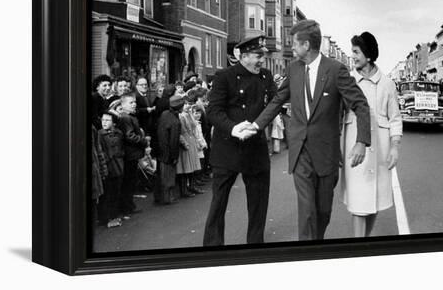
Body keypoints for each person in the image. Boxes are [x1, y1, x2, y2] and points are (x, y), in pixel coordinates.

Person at [251, 20, 371, 241]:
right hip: (300, 152)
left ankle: (316, 243)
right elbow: (278, 100)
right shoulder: (293, 69)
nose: (292, 47)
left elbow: (360, 105)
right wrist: (256, 125)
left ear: (306, 45)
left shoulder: (336, 70)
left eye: (294, 43)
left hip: (326, 154)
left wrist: (362, 141)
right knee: (306, 210)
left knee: (322, 211)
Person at [203, 34, 277, 246]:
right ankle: (212, 250)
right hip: (228, 148)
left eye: (262, 56)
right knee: (218, 204)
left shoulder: (266, 76)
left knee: (258, 204)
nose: (261, 60)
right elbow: (213, 111)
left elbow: (275, 103)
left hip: (255, 149)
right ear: (243, 57)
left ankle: (255, 247)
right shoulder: (225, 76)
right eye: (257, 56)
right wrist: (233, 128)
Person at [339, 32, 402, 237]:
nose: (353, 56)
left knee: (375, 201)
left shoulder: (387, 84)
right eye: (352, 52)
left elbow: (395, 119)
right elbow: (335, 115)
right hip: (354, 149)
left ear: (368, 54)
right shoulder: (348, 81)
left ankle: (364, 240)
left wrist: (394, 147)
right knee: (358, 202)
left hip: (381, 150)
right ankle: (359, 246)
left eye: (356, 52)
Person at [117, 93, 150, 217]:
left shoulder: (129, 116)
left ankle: (128, 205)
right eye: (130, 102)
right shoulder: (126, 118)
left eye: (134, 102)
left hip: (132, 153)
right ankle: (127, 206)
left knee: (129, 181)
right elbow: (129, 136)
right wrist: (143, 141)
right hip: (130, 153)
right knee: (129, 181)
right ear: (123, 105)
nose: (134, 104)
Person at [97, 112, 125, 228]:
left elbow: (122, 148)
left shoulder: (119, 133)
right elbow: (100, 151)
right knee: (107, 194)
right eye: (103, 120)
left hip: (118, 166)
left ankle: (114, 215)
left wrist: (120, 156)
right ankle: (106, 218)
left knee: (115, 192)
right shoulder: (99, 134)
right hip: (108, 167)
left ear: (114, 122)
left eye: (107, 120)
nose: (104, 122)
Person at [157, 94, 185, 204]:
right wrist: (174, 156)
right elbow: (174, 141)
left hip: (161, 149)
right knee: (169, 176)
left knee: (162, 175)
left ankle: (160, 197)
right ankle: (167, 198)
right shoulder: (175, 122)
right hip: (168, 153)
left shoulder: (164, 114)